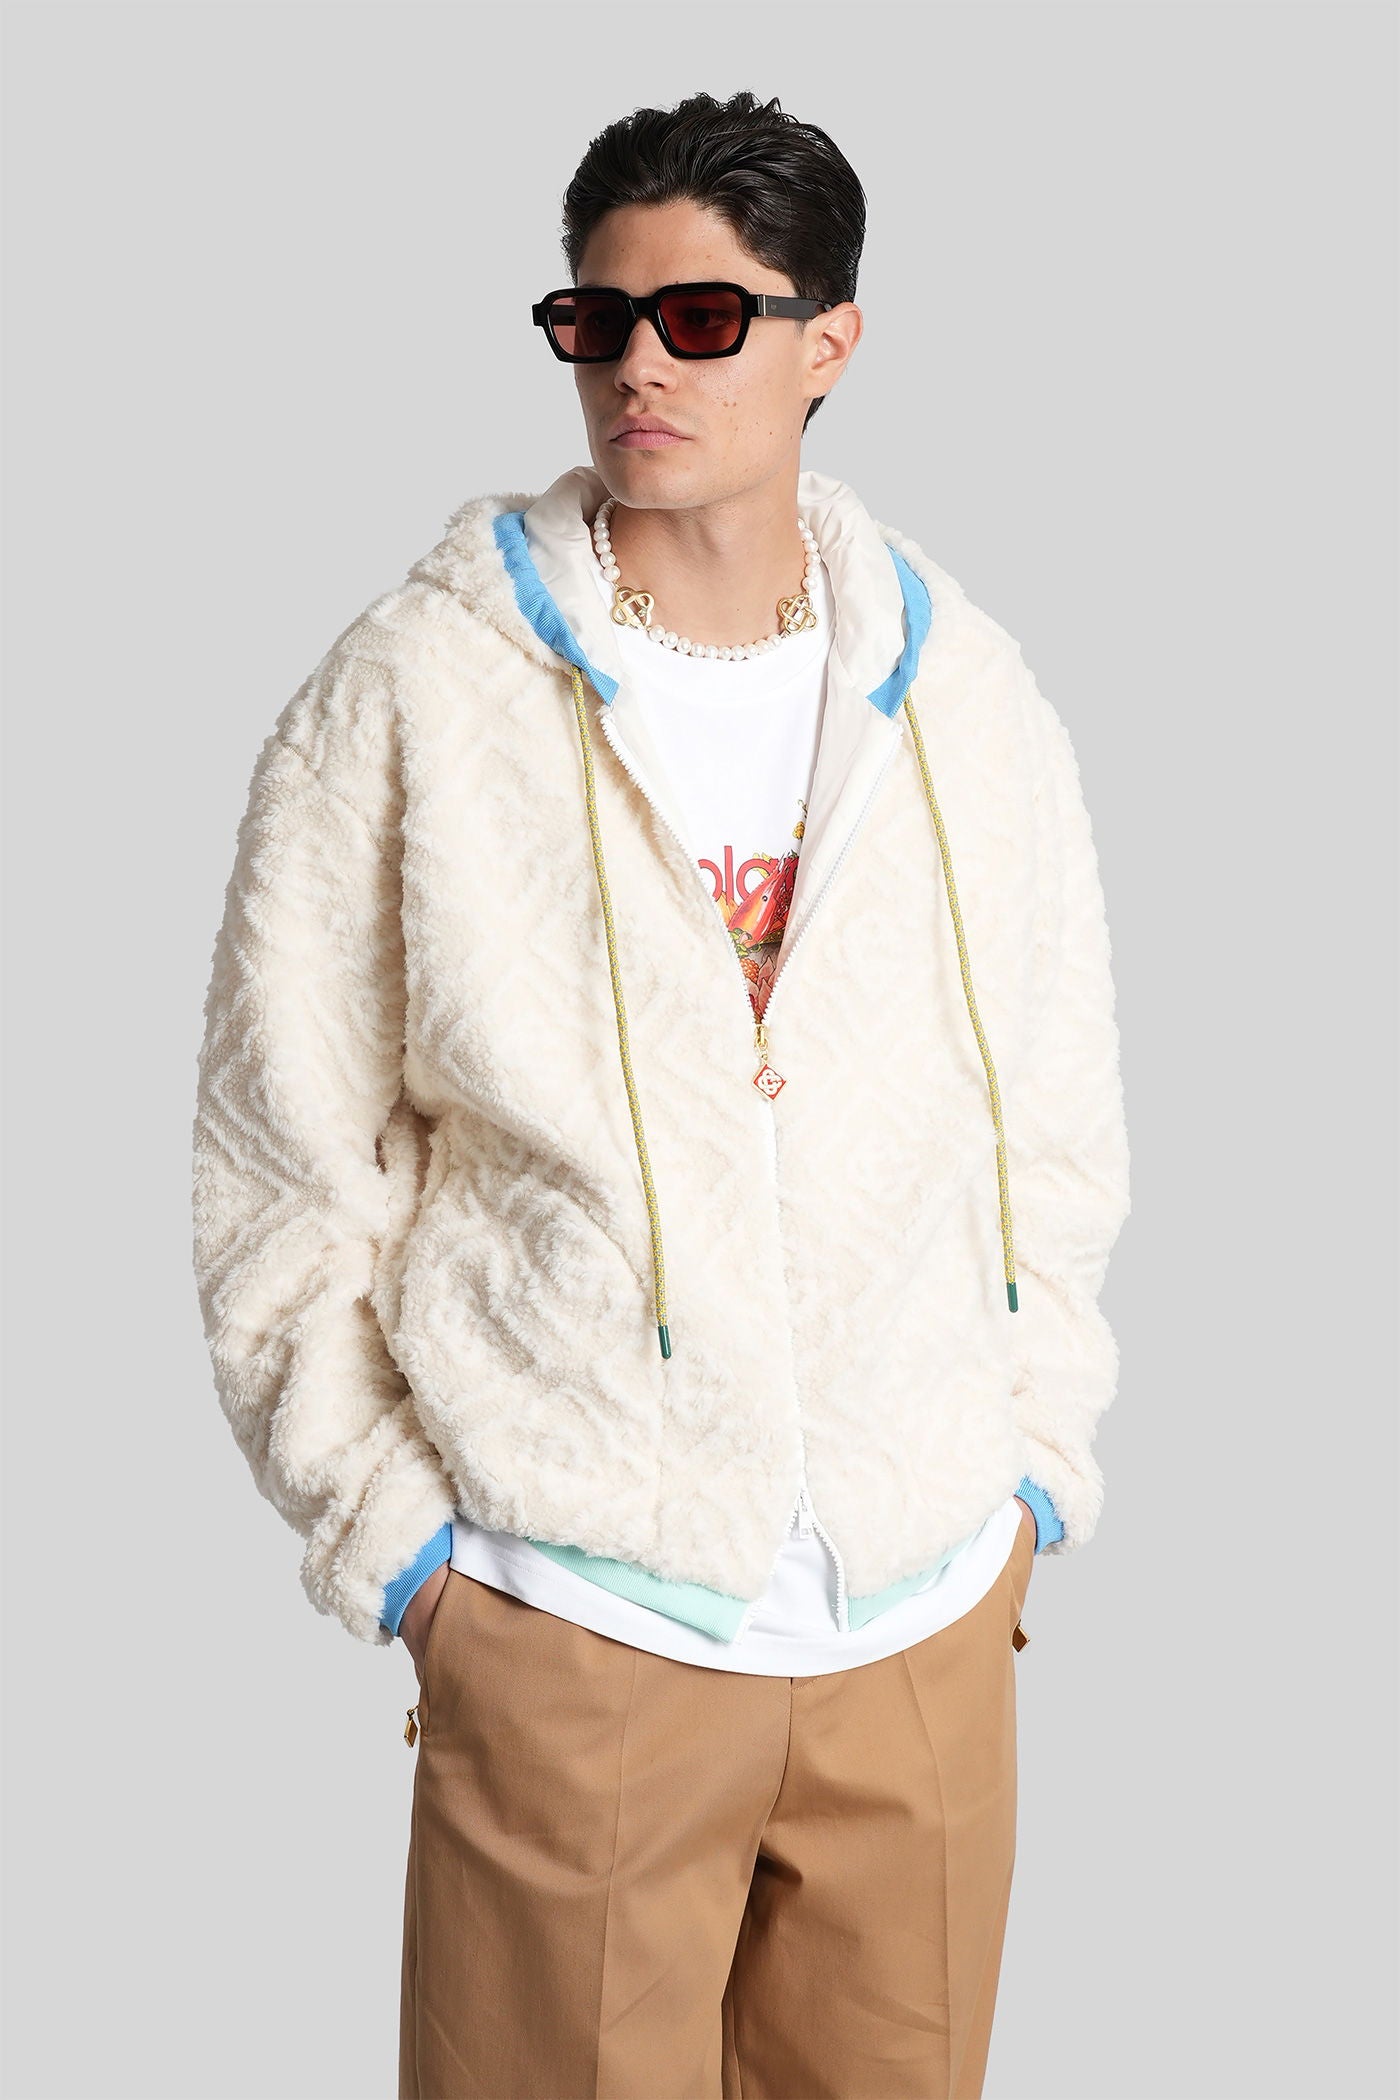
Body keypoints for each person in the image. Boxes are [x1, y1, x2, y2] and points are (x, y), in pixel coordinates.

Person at [191, 87, 1131, 2100]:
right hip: (578, 1623)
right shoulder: (416, 691)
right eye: (594, 319)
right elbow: (277, 1167)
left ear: (828, 342)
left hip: (917, 1621)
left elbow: (1052, 1118)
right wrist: (415, 1560)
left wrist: (1031, 1473)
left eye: (703, 320)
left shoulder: (962, 693)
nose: (639, 366)